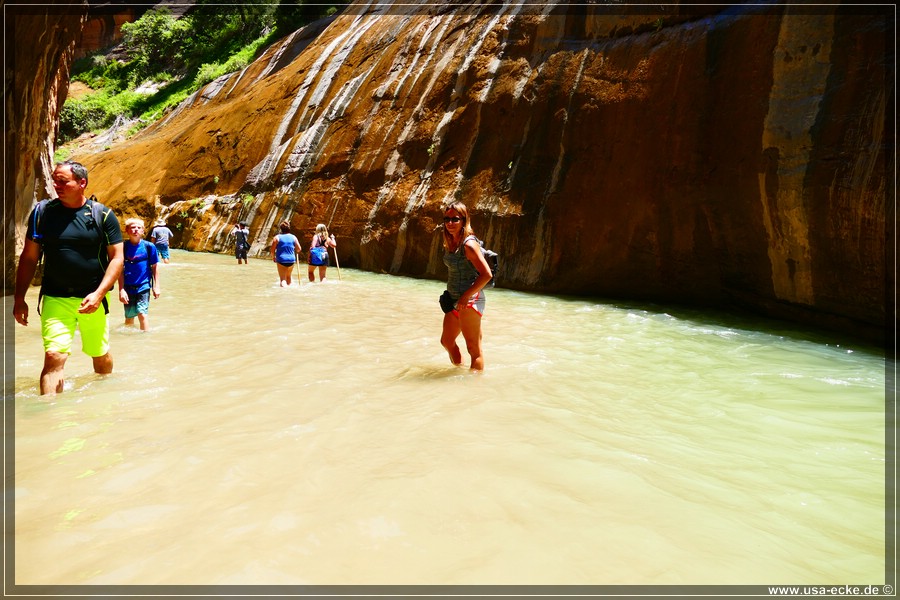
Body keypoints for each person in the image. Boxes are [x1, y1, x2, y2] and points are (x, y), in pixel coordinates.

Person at [13, 160, 124, 395]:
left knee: (99, 354)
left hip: (93, 299)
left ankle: (104, 399)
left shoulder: (102, 215)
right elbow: (29, 257)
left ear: (82, 183)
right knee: (53, 357)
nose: (56, 185)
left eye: (63, 181)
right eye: (55, 180)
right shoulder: (43, 213)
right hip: (55, 297)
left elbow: (117, 258)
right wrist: (19, 298)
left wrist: (99, 294)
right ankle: (49, 416)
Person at [439, 201, 493, 371]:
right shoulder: (451, 241)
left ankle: (474, 390)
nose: (450, 223)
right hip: (454, 299)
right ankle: (458, 372)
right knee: (446, 341)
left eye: (455, 219)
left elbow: (487, 275)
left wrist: (465, 296)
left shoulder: (469, 245)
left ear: (464, 220)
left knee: (473, 349)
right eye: (447, 219)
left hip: (469, 300)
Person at [117, 218, 160, 331]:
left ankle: (145, 341)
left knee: (142, 314)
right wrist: (121, 289)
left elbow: (155, 266)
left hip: (144, 286)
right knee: (129, 317)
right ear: (127, 230)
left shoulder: (149, 247)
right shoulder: (123, 247)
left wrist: (156, 286)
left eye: (139, 227)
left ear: (143, 231)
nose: (136, 230)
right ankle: (129, 341)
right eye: (132, 227)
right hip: (128, 287)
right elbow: (119, 269)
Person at [270, 220, 302, 287]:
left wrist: (273, 257)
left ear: (281, 229)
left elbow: (272, 250)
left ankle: (284, 292)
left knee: (283, 280)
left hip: (281, 260)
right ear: (289, 228)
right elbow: (299, 249)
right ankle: (289, 292)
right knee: (288, 277)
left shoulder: (277, 238)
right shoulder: (294, 237)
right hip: (291, 260)